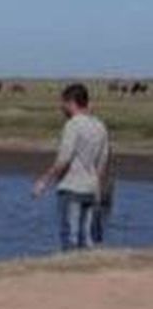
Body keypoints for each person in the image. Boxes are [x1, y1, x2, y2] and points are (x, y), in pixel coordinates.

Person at [33, 83, 111, 251]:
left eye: (63, 103)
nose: (61, 107)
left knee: (70, 239)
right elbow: (102, 163)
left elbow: (64, 160)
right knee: (87, 241)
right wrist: (97, 189)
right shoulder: (100, 126)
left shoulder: (72, 125)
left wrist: (43, 182)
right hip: (91, 190)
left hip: (72, 189)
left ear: (71, 102)